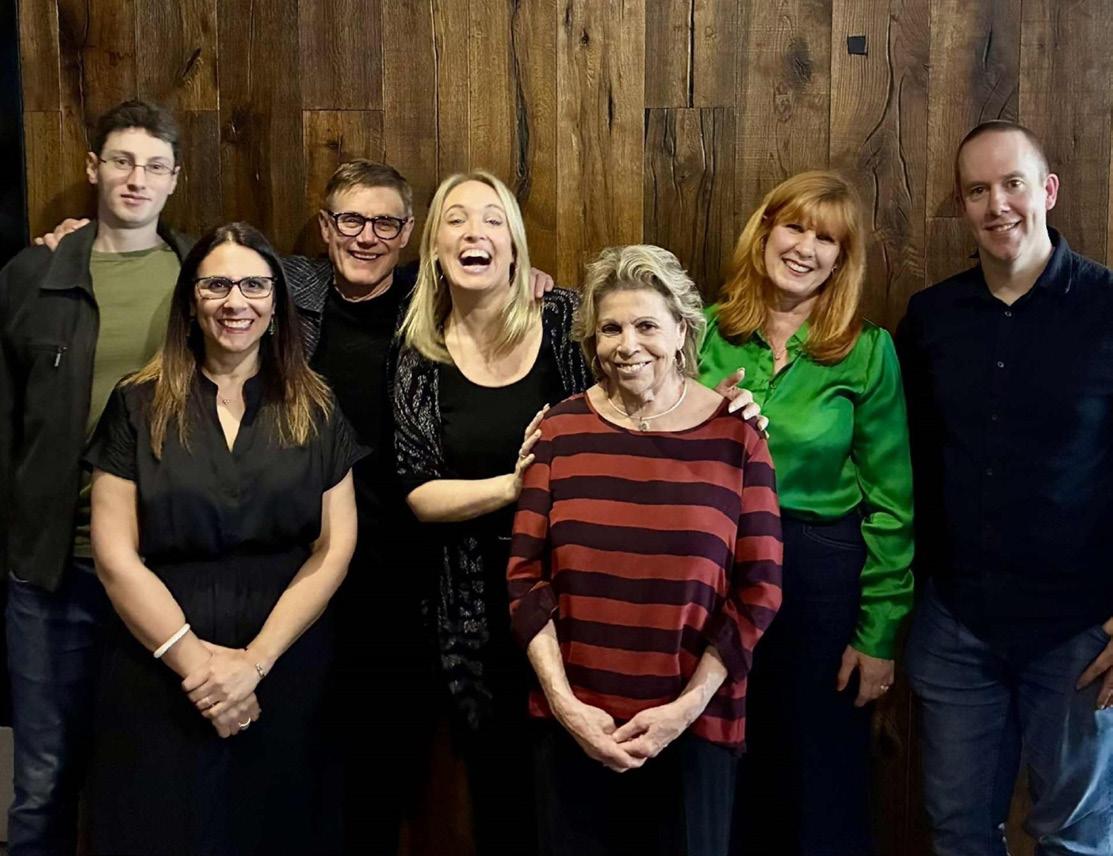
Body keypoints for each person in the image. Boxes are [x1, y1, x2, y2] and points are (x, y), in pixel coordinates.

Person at [83, 222, 361, 855]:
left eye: (254, 286)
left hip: (286, 662)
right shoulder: (136, 404)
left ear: (277, 303)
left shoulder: (317, 405)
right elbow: (114, 555)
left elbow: (334, 548)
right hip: (161, 662)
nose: (236, 302)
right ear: (191, 300)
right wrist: (201, 669)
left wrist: (254, 663)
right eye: (217, 285)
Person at [508, 244, 783, 856]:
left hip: (695, 729)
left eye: (646, 325)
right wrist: (565, 706)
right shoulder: (560, 431)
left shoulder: (737, 436)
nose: (627, 344)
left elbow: (759, 591)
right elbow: (525, 581)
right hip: (575, 729)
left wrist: (684, 710)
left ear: (682, 331)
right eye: (610, 328)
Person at [897, 121, 1113, 855]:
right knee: (957, 833)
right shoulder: (931, 319)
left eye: (1012, 183)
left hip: (1079, 631)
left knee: (1075, 839)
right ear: (962, 205)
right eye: (977, 190)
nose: (997, 205)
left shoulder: (1107, 308)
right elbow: (907, 461)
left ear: (1046, 190)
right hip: (957, 625)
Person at [699, 170, 915, 856]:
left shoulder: (867, 349)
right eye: (793, 226)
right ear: (764, 231)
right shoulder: (702, 331)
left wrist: (878, 634)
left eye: (826, 239)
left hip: (819, 579)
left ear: (842, 259)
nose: (804, 248)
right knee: (724, 762)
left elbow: (892, 501)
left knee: (819, 772)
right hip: (713, 571)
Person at [0, 99, 190, 854]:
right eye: (121, 161)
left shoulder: (200, 277)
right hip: (54, 573)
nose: (136, 179)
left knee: (150, 778)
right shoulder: (34, 274)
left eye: (154, 166)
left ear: (174, 179)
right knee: (43, 782)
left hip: (162, 566)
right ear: (93, 168)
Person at [393, 170, 592, 853]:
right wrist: (515, 486)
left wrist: (725, 405)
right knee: (500, 791)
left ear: (514, 246)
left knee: (580, 785)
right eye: (454, 219)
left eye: (491, 218)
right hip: (472, 606)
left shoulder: (564, 319)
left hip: (573, 592)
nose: (472, 231)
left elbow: (641, 385)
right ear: (433, 247)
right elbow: (419, 493)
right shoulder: (418, 351)